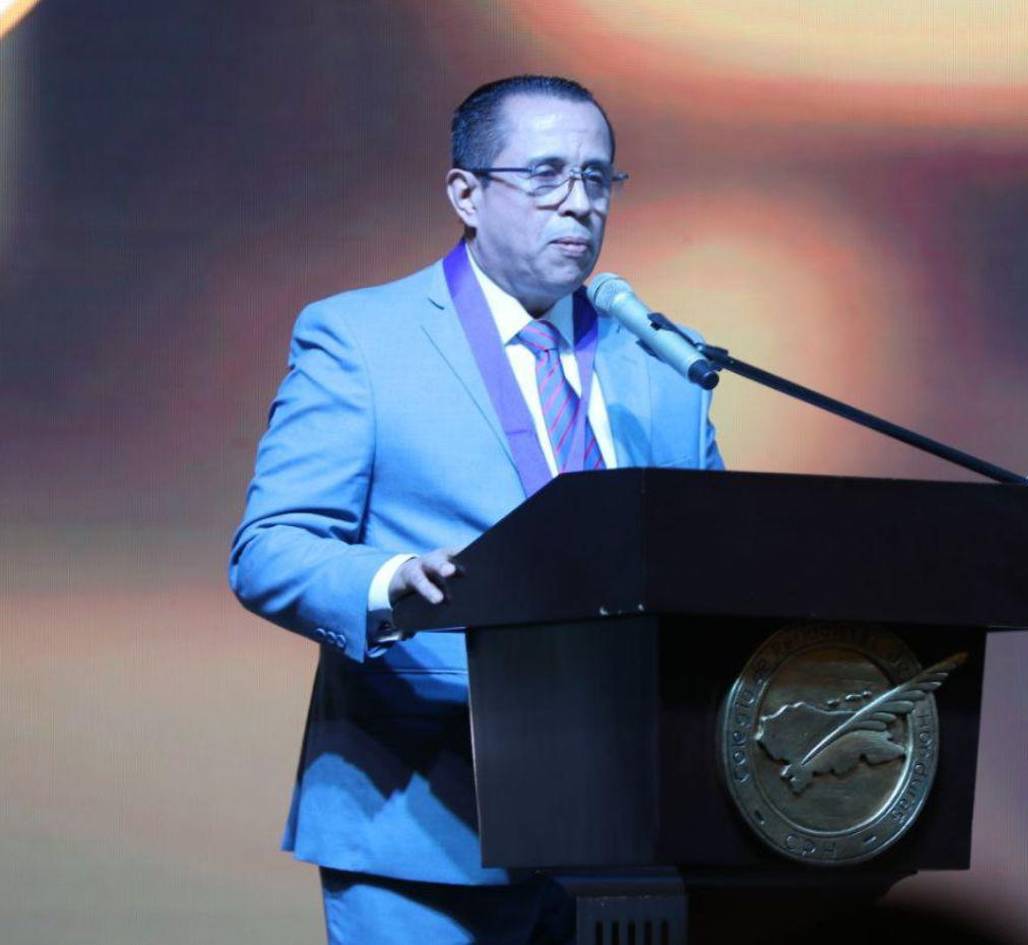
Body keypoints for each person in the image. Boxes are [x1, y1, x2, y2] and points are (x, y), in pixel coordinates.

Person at [228, 75, 723, 944]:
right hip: (425, 819)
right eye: (546, 175)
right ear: (465, 193)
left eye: (597, 178)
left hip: (630, 827)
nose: (579, 203)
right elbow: (270, 547)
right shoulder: (361, 339)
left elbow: (718, 561)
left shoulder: (662, 361)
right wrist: (389, 582)